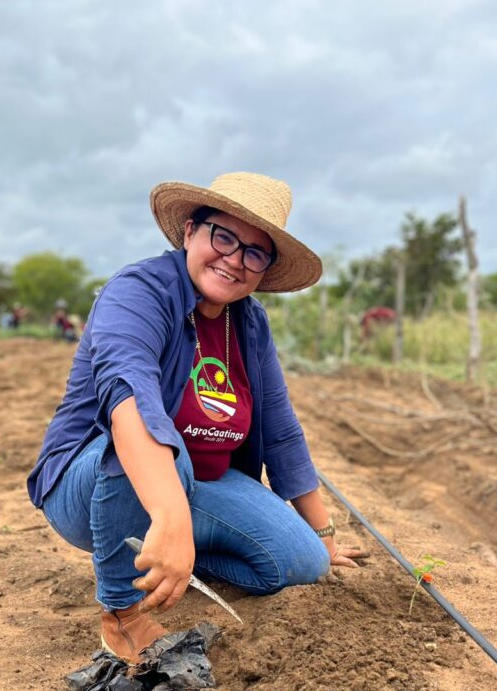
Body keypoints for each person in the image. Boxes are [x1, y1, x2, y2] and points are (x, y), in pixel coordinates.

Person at [28, 172, 368, 664]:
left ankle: (174, 553)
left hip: (200, 485)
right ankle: (123, 613)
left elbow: (281, 430)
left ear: (264, 269)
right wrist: (169, 516)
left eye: (254, 253)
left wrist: (324, 535)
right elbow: (129, 401)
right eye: (223, 237)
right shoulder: (138, 293)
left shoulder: (249, 323)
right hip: (93, 482)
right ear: (190, 231)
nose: (234, 259)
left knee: (301, 563)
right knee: (164, 444)